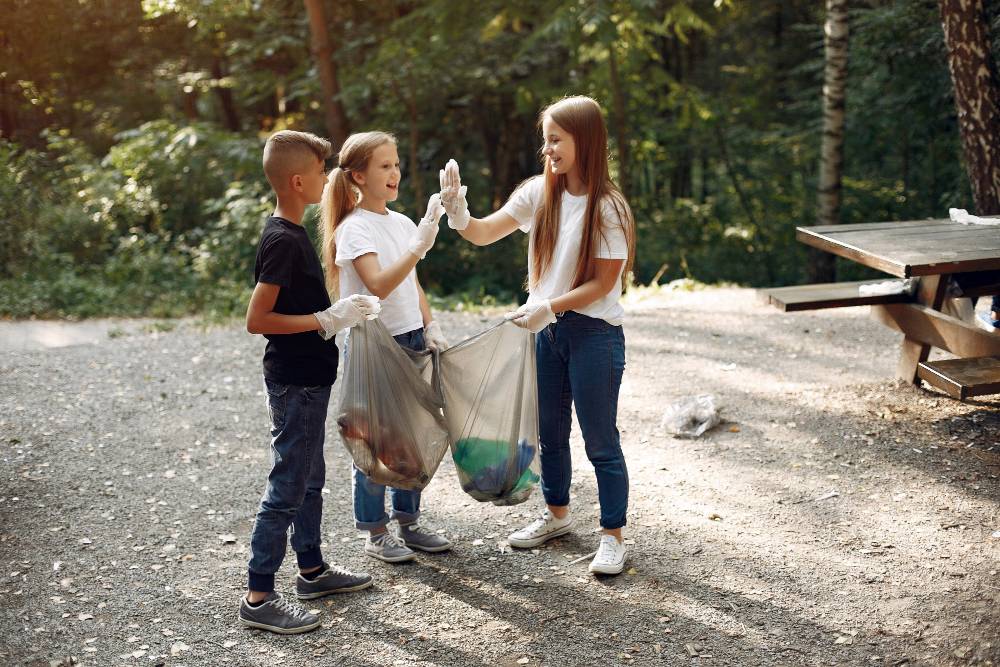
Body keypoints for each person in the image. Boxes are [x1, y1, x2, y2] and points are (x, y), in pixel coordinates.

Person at [439, 96, 636, 575]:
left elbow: (604, 284)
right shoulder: (538, 193)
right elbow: (485, 233)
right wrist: (460, 214)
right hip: (546, 334)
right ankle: (556, 516)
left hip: (594, 335)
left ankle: (612, 536)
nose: (547, 149)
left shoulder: (608, 207)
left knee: (600, 440)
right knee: (550, 435)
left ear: (584, 141)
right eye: (544, 140)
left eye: (556, 140)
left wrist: (547, 304)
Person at [239, 130, 380, 635]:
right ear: (300, 182)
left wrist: (339, 316)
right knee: (288, 484)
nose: (328, 179)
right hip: (294, 382)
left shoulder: (295, 233)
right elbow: (258, 319)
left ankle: (312, 570)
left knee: (311, 478)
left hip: (312, 381)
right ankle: (258, 595)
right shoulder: (282, 240)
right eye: (322, 172)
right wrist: (324, 319)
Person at [320, 130, 453, 563]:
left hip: (412, 338)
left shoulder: (400, 222)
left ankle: (409, 523)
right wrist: (418, 247)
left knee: (415, 433)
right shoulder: (354, 228)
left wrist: (430, 325)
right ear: (358, 176)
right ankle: (375, 533)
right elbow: (376, 286)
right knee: (376, 436)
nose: (394, 172)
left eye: (396, 163)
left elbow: (412, 285)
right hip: (375, 344)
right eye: (384, 165)